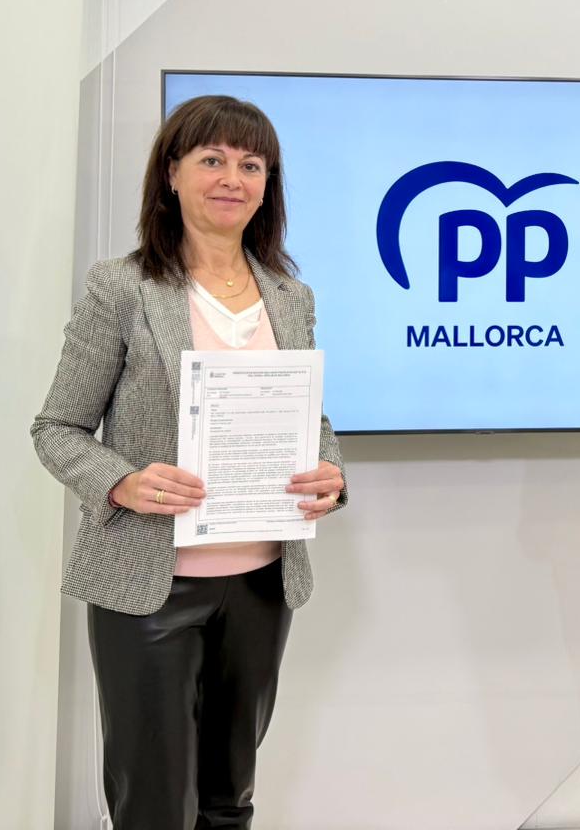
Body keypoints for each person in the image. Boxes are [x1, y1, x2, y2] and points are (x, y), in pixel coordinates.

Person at [32, 94, 347, 830]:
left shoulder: (290, 296)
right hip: (149, 588)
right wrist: (122, 482)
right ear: (171, 174)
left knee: (228, 802)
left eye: (251, 164)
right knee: (152, 808)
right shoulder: (123, 288)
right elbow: (58, 429)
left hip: (262, 586)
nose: (232, 178)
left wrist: (330, 473)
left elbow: (311, 420)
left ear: (267, 185)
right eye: (212, 159)